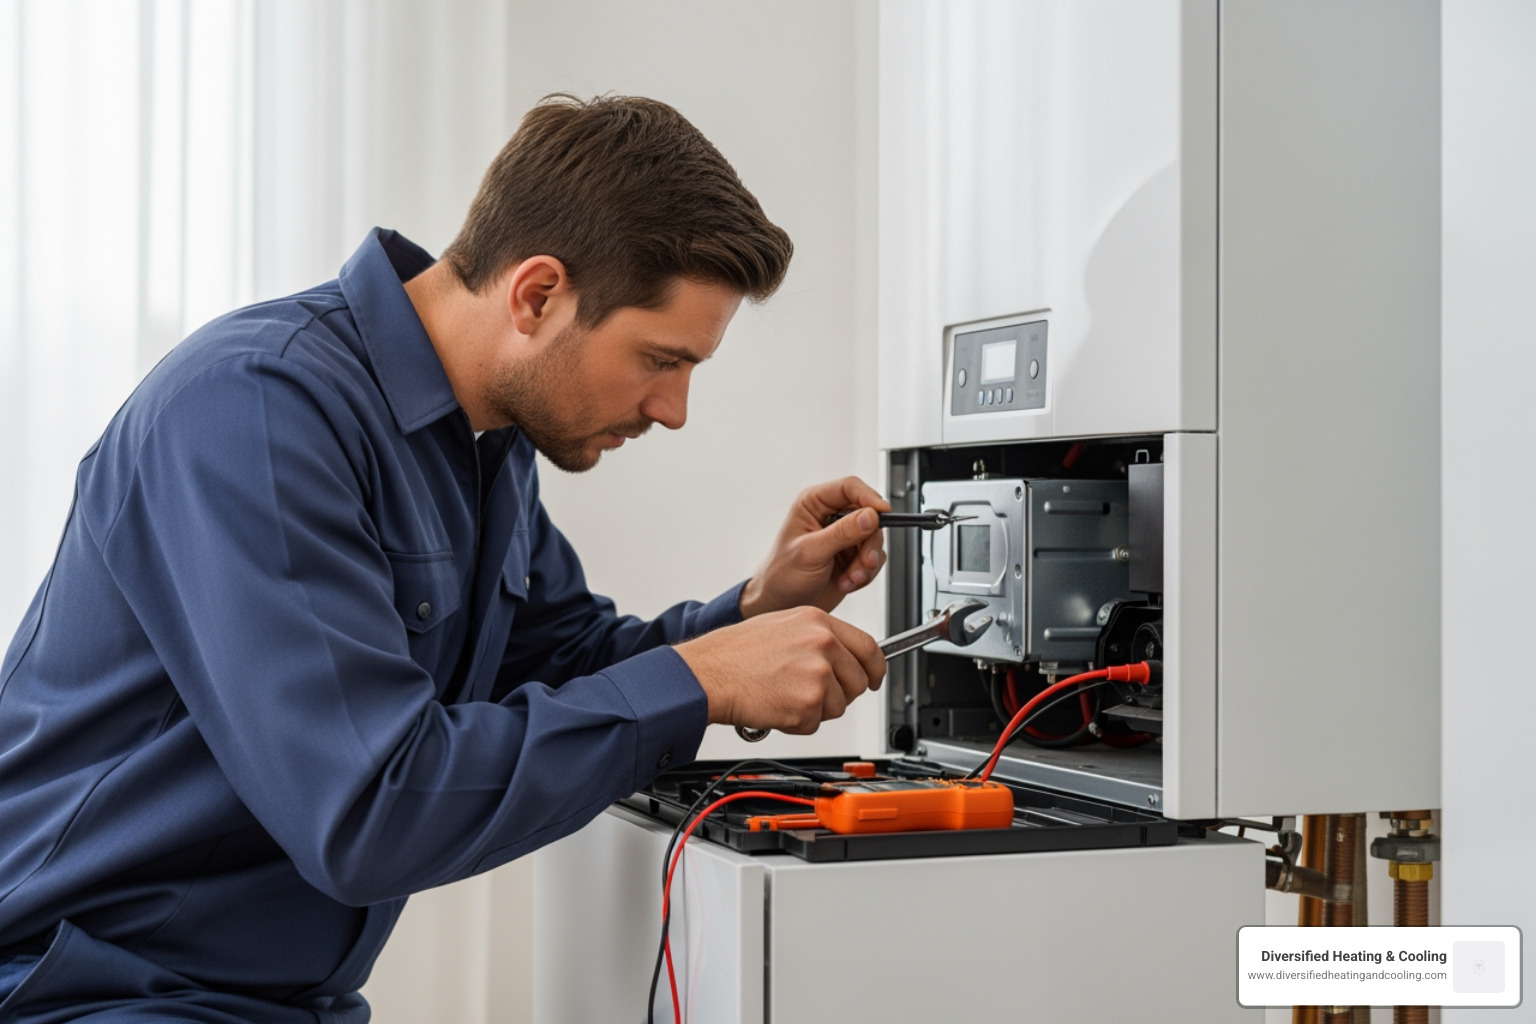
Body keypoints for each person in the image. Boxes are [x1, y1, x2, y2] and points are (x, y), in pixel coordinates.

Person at [0, 94, 888, 1022]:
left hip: (279, 1002)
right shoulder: (255, 412)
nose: (673, 410)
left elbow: (571, 665)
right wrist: (704, 679)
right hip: (83, 994)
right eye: (661, 360)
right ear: (538, 294)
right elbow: (370, 806)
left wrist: (748, 615)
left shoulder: (487, 446)